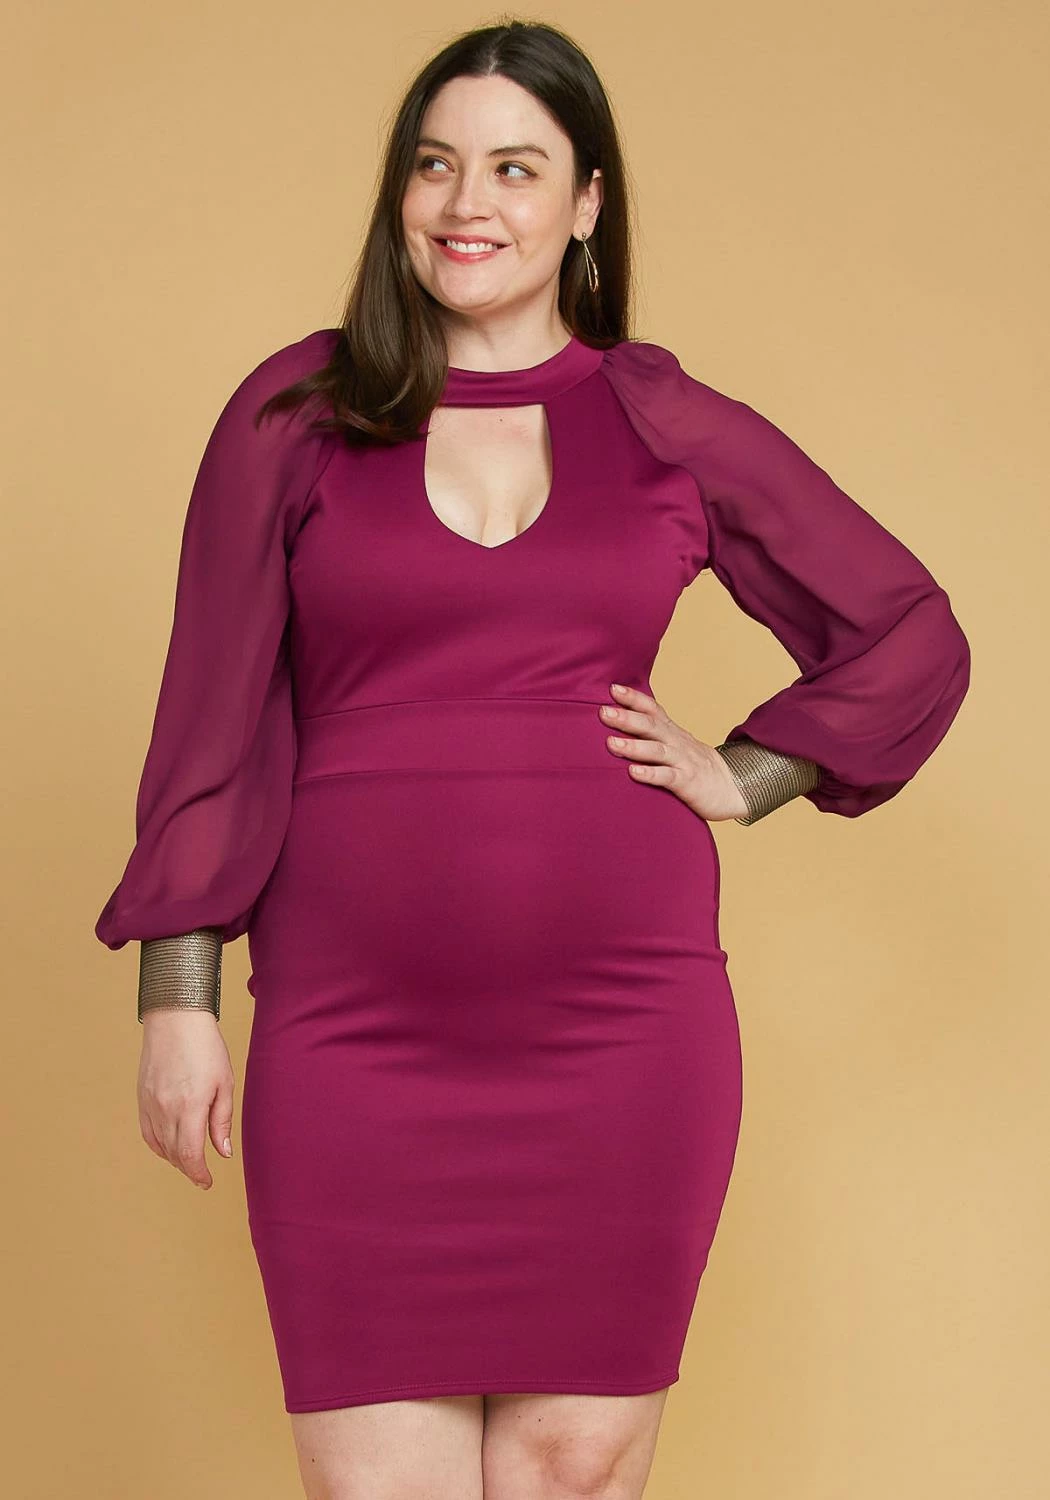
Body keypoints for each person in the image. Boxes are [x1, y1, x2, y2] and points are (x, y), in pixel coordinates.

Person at [94, 20, 971, 1500]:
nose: (465, 204)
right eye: (434, 165)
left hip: (623, 1030)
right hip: (353, 1030)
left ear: (586, 202)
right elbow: (210, 721)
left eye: (514, 168)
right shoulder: (294, 417)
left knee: (576, 1471)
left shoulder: (662, 422)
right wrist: (178, 997)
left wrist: (751, 771)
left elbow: (904, 631)